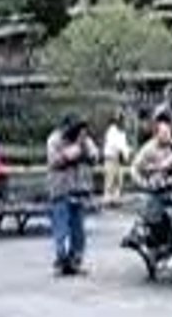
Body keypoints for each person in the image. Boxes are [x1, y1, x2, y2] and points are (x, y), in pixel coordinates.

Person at [47, 116, 99, 276]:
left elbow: (95, 156)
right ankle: (61, 261)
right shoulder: (55, 139)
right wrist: (72, 152)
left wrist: (86, 150)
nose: (81, 134)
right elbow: (54, 161)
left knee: (78, 229)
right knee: (61, 228)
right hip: (61, 189)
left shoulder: (84, 139)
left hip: (79, 189)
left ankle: (75, 260)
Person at [130, 111, 172, 247]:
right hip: (155, 192)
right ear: (157, 134)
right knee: (155, 222)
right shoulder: (148, 148)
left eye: (168, 133)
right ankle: (154, 248)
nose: (167, 137)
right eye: (163, 134)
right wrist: (144, 183)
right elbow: (134, 168)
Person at [102, 112, 131, 207]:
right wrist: (125, 152)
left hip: (118, 159)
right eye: (120, 120)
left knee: (118, 180)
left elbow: (123, 145)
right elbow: (117, 145)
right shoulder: (112, 131)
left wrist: (127, 153)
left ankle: (115, 199)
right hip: (110, 158)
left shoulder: (121, 132)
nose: (122, 122)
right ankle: (107, 200)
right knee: (110, 179)